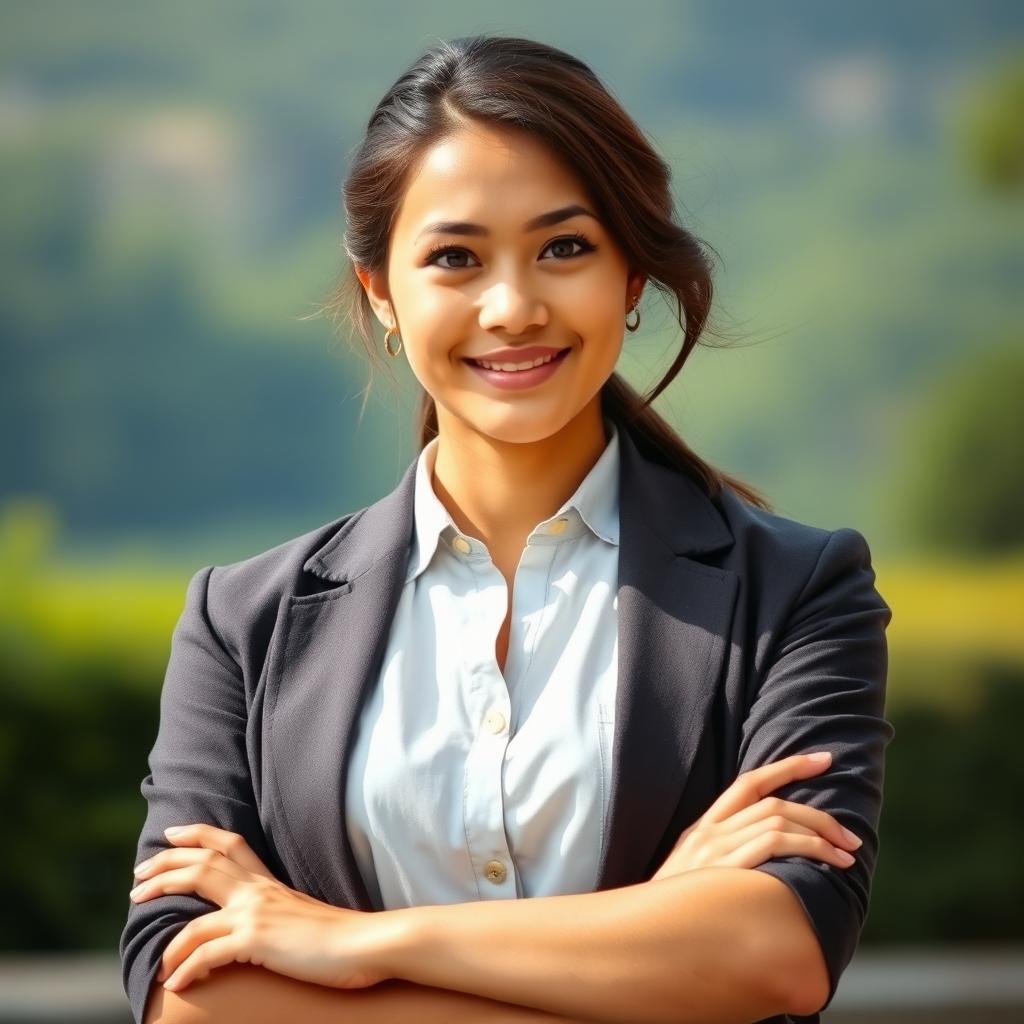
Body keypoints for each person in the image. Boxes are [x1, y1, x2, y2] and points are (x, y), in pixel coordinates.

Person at [119, 33, 895, 1024]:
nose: (513, 306)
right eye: (454, 257)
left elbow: (777, 949)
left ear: (629, 276)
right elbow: (190, 996)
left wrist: (352, 944)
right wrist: (655, 930)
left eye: (564, 248)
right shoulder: (245, 622)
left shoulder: (795, 590)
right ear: (382, 294)